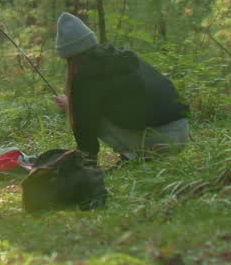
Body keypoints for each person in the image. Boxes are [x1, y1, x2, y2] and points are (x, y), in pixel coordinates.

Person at [52, 12, 189, 163]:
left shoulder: (85, 76)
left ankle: (133, 157)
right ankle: (134, 155)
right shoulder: (121, 57)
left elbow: (85, 128)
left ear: (69, 58)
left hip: (158, 142)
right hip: (182, 133)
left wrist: (73, 109)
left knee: (94, 116)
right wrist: (72, 105)